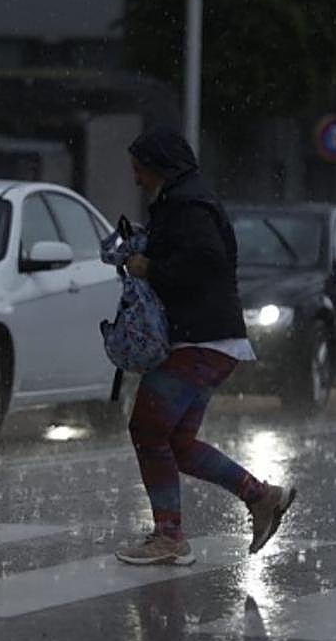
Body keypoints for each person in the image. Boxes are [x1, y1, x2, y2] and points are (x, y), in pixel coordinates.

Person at [115, 127, 296, 566]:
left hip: (200, 340)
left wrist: (149, 266)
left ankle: (169, 536)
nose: (136, 179)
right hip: (213, 340)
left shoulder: (186, 205)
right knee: (177, 442)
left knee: (147, 428)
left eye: (140, 169)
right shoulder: (186, 201)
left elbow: (206, 263)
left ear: (160, 167)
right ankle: (261, 497)